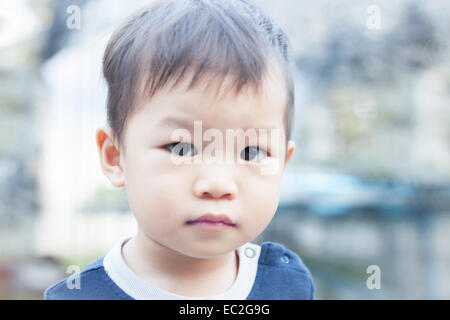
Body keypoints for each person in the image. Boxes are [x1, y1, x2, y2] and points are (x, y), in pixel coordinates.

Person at [44, 0, 315, 300]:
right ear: (115, 156)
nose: (217, 184)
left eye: (252, 153)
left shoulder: (286, 284)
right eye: (182, 148)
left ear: (283, 164)